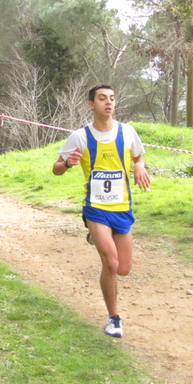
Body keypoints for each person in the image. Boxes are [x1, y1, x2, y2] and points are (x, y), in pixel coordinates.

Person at [52, 85, 150, 338]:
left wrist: (140, 166)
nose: (108, 102)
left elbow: (139, 157)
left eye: (112, 98)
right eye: (102, 98)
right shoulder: (80, 136)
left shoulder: (127, 132)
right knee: (111, 261)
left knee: (124, 269)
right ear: (91, 105)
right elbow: (56, 168)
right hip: (95, 207)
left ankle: (97, 236)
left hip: (122, 208)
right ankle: (114, 318)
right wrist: (66, 163)